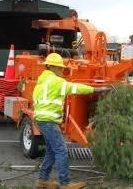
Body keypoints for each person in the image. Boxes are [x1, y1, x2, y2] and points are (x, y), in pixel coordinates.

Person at [33, 53, 109, 189]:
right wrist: (97, 89)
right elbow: (75, 88)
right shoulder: (56, 82)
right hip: (49, 121)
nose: (62, 70)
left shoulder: (41, 82)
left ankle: (42, 181)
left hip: (42, 120)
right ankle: (65, 183)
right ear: (51, 67)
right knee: (62, 150)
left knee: (51, 151)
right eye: (60, 67)